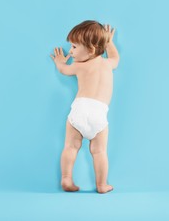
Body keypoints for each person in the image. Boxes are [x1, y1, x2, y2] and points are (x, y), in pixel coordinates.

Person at [50, 20, 120, 193]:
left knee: (70, 147)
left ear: (91, 50)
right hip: (99, 114)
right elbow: (115, 58)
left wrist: (59, 62)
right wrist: (109, 43)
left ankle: (66, 178)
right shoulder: (107, 65)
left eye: (74, 47)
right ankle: (102, 184)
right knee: (99, 151)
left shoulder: (79, 66)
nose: (71, 52)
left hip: (80, 110)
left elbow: (63, 71)